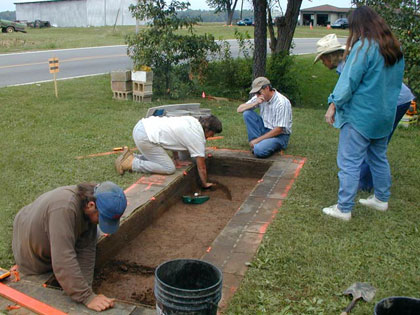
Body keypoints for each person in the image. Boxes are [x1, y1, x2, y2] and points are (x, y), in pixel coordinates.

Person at [321, 6, 405, 221]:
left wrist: (333, 105)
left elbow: (348, 81)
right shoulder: (394, 48)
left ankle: (344, 208)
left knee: (349, 162)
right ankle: (381, 199)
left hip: (361, 116)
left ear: (359, 25)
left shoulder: (363, 47)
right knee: (378, 157)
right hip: (384, 115)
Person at [315, 34, 415, 192]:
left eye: (323, 59)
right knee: (371, 141)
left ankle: (366, 183)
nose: (323, 63)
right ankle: (367, 182)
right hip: (391, 100)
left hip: (395, 101)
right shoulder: (347, 62)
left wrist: (335, 108)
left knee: (374, 142)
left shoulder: (347, 65)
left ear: (331, 56)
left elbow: (349, 91)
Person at [12, 181, 127, 312]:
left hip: (44, 226)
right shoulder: (64, 209)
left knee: (94, 234)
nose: (102, 222)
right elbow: (62, 259)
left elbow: (87, 249)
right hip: (30, 251)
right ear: (91, 205)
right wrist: (87, 297)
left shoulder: (91, 202)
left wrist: (86, 288)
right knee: (64, 253)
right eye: (102, 218)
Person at [115, 115, 222, 188]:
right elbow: (201, 166)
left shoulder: (193, 121)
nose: (212, 136)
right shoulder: (197, 138)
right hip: (145, 137)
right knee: (169, 168)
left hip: (143, 126)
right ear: (208, 130)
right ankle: (130, 163)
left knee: (161, 160)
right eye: (213, 133)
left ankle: (132, 156)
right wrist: (205, 183)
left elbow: (175, 139)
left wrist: (177, 159)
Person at [237, 77, 292, 158]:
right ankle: (258, 144)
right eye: (255, 93)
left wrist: (257, 140)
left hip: (280, 136)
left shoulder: (281, 103)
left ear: (267, 88)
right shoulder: (259, 98)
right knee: (247, 113)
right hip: (265, 128)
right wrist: (254, 103)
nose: (257, 95)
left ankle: (258, 145)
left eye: (259, 92)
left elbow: (279, 130)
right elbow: (239, 109)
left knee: (259, 151)